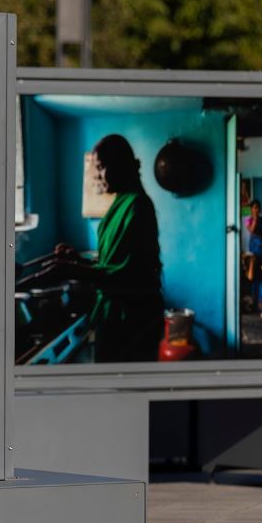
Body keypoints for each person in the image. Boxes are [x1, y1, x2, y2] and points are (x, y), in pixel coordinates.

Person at [48, 134, 164, 362]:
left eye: (101, 168)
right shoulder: (120, 203)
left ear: (119, 165)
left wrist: (73, 269)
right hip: (113, 316)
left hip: (131, 321)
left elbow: (128, 274)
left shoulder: (137, 206)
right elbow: (111, 263)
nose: (98, 176)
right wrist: (78, 260)